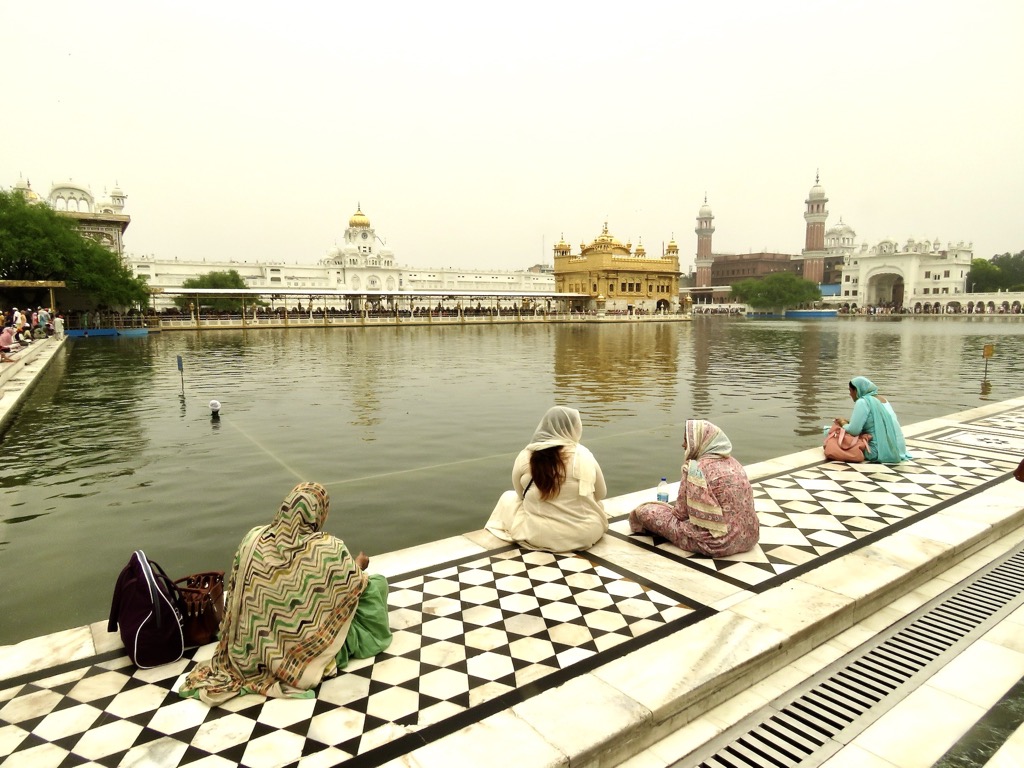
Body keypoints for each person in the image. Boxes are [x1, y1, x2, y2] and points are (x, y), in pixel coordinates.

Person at [179, 482, 392, 705]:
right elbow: (354, 585)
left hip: (248, 648)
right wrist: (360, 564)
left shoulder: (253, 538)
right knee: (377, 584)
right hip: (299, 648)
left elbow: (233, 594)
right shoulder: (328, 547)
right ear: (320, 513)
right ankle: (307, 653)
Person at [485, 406, 608, 552]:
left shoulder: (527, 456)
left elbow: (520, 494)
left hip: (538, 535)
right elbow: (601, 494)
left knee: (508, 497)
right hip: (585, 534)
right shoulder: (584, 455)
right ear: (574, 429)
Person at [629, 420, 759, 557]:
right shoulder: (734, 463)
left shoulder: (695, 469)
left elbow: (680, 514)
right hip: (749, 536)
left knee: (645, 512)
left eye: (687, 441)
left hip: (717, 544)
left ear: (701, 442)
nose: (683, 445)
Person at [834, 376, 910, 464]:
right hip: (899, 449)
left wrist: (842, 422)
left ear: (857, 390)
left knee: (834, 436)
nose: (850, 394)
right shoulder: (883, 399)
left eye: (850, 391)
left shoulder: (862, 401)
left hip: (879, 451)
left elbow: (854, 431)